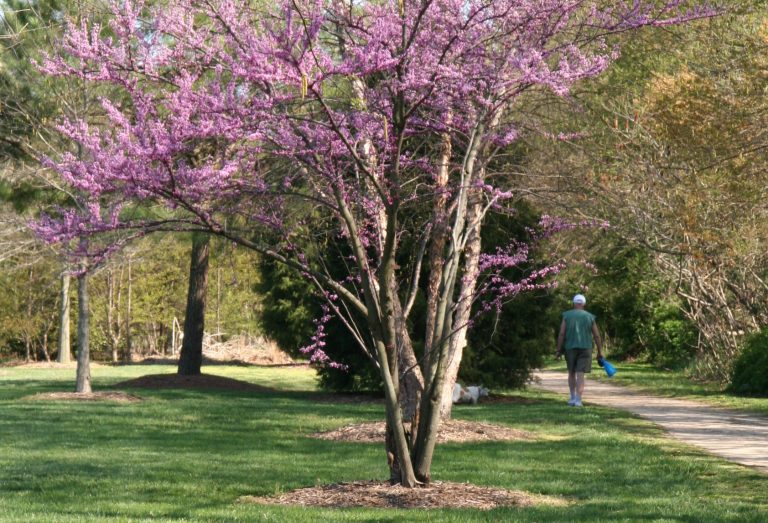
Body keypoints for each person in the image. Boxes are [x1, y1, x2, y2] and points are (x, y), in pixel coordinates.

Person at [555, 294, 603, 407]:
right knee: (580, 373)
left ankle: (572, 398)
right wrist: (600, 352)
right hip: (585, 348)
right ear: (584, 304)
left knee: (571, 372)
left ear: (574, 303)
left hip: (570, 348)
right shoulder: (590, 317)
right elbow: (596, 335)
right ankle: (578, 400)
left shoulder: (566, 315)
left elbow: (562, 333)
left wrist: (558, 350)